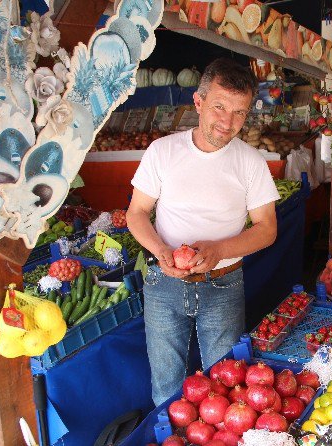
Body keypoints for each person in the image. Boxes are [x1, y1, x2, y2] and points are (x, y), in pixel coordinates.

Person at [127, 58, 280, 405]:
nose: (227, 123)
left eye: (239, 113)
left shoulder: (251, 162)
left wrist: (219, 250)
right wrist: (160, 250)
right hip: (163, 284)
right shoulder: (163, 152)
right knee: (166, 388)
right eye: (219, 107)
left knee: (227, 388)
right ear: (198, 103)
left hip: (223, 284)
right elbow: (136, 213)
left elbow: (267, 229)